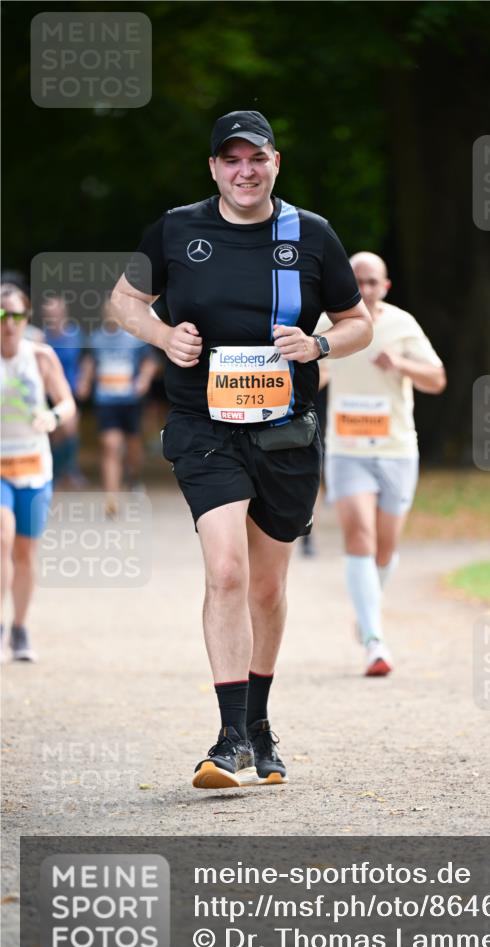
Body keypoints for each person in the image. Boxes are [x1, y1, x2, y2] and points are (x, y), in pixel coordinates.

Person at [110, 110, 372, 789]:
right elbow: (123, 302)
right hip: (204, 425)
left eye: (255, 158)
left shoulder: (310, 235)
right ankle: (227, 739)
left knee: (265, 585)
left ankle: (258, 722)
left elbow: (356, 322)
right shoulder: (175, 228)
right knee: (224, 571)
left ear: (274, 163)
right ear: (213, 169)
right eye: (230, 159)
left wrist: (317, 345)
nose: (244, 170)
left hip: (285, 429)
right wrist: (164, 338)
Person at [317, 252, 446, 676]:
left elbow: (437, 379)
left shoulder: (402, 324)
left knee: (386, 547)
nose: (365, 288)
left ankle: (367, 607)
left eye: (372, 282)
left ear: (385, 286)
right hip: (346, 450)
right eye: (358, 280)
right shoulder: (326, 324)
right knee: (360, 537)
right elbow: (310, 372)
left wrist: (400, 363)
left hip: (395, 450)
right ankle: (374, 640)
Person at [0, 284, 76, 661]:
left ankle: (19, 628)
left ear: (25, 318)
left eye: (15, 315)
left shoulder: (41, 356)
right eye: (1, 316)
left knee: (25, 552)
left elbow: (67, 402)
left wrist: (53, 416)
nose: (8, 324)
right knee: (2, 536)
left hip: (33, 465)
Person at [77, 300, 159, 515]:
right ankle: (111, 497)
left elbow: (150, 362)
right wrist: (84, 381)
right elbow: (89, 363)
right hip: (106, 402)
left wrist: (143, 379)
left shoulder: (135, 338)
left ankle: (133, 477)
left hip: (131, 402)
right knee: (110, 445)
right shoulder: (96, 338)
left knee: (133, 447)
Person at [41, 295, 84, 487]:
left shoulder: (76, 334)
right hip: (47, 393)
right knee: (54, 434)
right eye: (49, 313)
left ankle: (69, 469)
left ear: (63, 312)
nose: (53, 316)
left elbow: (86, 359)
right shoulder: (42, 337)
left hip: (70, 390)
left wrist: (85, 380)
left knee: (70, 429)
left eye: (56, 311)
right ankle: (56, 473)